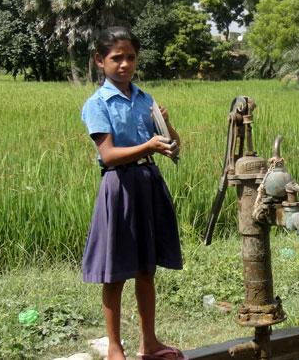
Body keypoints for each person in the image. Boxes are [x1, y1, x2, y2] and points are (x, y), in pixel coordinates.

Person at [80, 26, 187, 360]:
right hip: (119, 187)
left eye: (130, 57)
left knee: (145, 269)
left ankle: (150, 343)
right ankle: (114, 347)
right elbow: (108, 154)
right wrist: (150, 146)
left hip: (148, 183)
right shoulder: (98, 104)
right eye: (116, 58)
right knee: (115, 273)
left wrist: (166, 129)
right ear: (100, 60)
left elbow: (173, 145)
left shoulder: (145, 99)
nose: (124, 64)